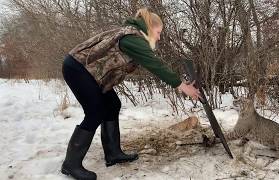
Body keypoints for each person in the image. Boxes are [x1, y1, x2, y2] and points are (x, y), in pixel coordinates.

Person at [61, 8, 201, 180]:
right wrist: (182, 86)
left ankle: (113, 153)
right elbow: (155, 64)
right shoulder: (132, 38)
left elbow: (152, 61)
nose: (159, 37)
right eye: (158, 32)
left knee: (112, 105)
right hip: (77, 68)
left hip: (87, 72)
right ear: (149, 28)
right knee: (95, 112)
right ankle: (71, 164)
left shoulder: (134, 35)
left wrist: (179, 83)